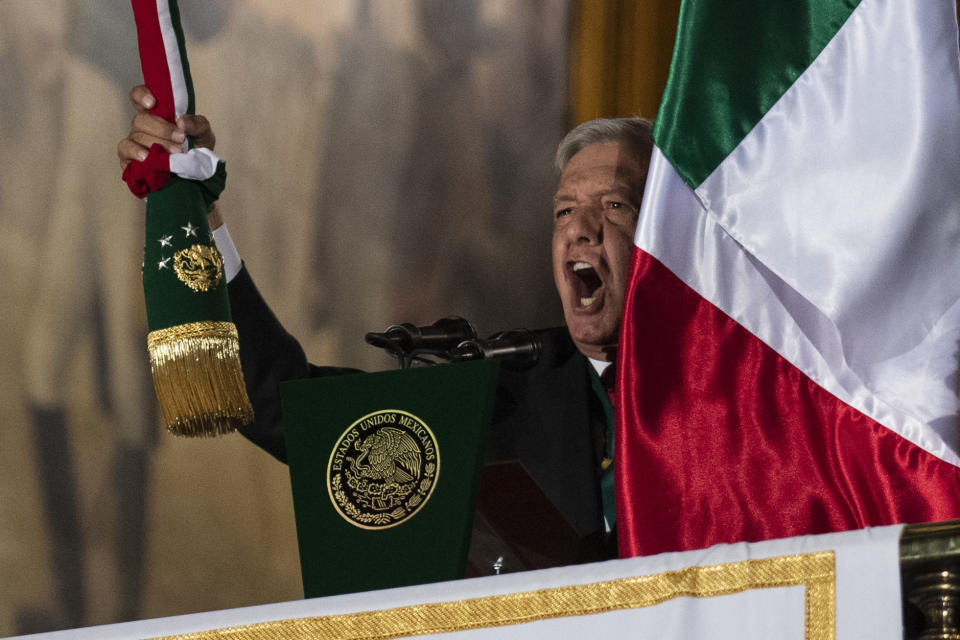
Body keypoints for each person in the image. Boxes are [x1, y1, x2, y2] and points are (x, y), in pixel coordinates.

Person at [118, 85, 652, 568]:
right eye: (563, 212)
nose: (580, 230)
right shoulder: (512, 392)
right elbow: (281, 404)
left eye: (614, 205)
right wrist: (197, 206)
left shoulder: (733, 388)